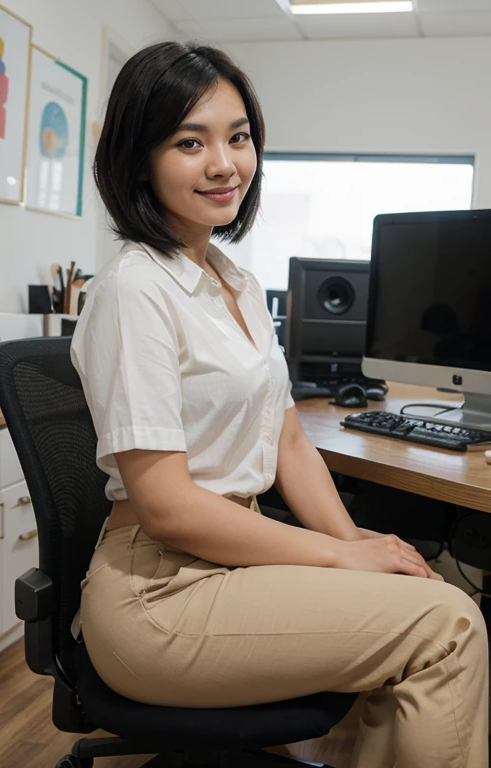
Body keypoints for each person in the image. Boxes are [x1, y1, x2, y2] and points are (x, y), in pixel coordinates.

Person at [70, 41, 488, 768]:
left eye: (238, 137)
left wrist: (357, 542)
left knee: (413, 587)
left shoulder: (232, 281)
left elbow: (289, 441)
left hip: (229, 558)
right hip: (158, 591)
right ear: (140, 159)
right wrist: (335, 557)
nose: (224, 163)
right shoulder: (134, 288)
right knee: (448, 624)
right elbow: (167, 506)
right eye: (188, 142)